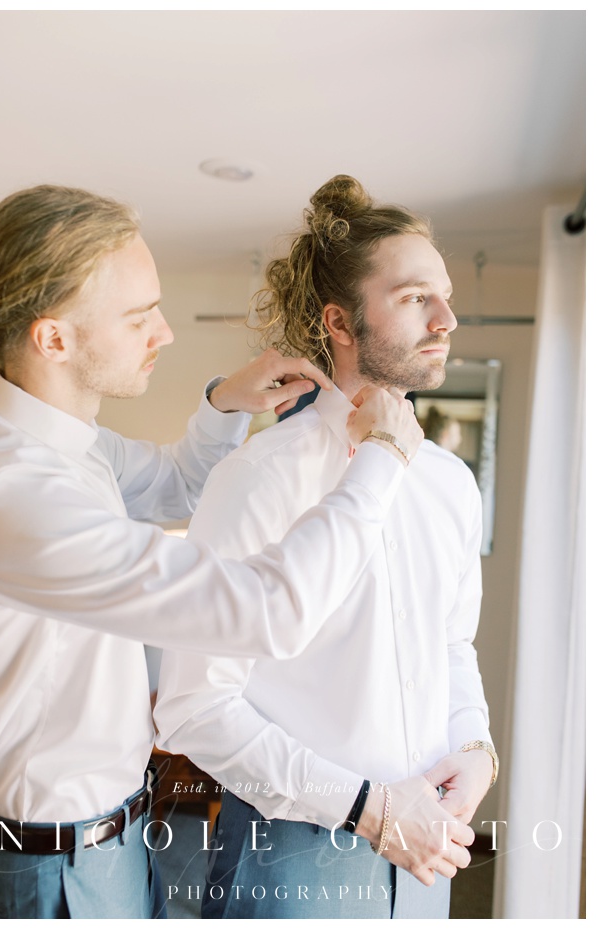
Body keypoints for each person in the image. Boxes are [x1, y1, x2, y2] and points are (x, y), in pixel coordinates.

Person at [0, 184, 427, 918]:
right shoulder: (19, 496)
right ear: (53, 338)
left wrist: (224, 403)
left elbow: (176, 485)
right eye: (137, 317)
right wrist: (379, 459)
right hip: (45, 866)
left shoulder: (68, 446)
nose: (165, 333)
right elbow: (267, 612)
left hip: (120, 841)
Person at [155, 176, 487, 918]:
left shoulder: (451, 484)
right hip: (292, 855)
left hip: (429, 854)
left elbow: (451, 645)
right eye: (414, 298)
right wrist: (368, 807)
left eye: (445, 295)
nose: (447, 318)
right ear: (340, 321)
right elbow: (193, 705)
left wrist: (475, 750)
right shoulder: (257, 479)